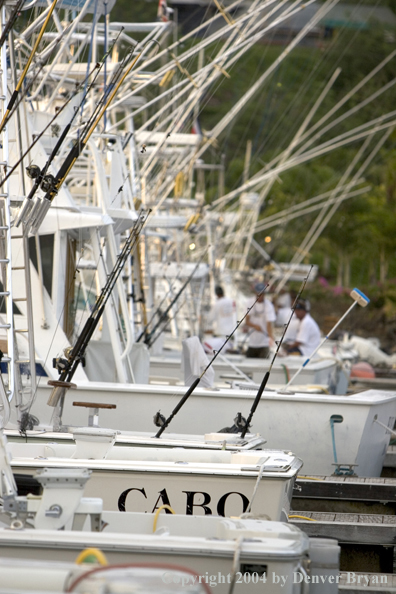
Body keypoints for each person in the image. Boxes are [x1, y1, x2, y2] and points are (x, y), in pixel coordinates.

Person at [244, 283, 276, 358]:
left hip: (264, 342)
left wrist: (271, 337)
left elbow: (269, 324)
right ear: (255, 293)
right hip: (252, 342)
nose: (260, 296)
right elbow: (247, 321)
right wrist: (255, 326)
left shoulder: (269, 305)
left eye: (262, 294)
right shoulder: (249, 302)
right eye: (258, 293)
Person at [204, 285, 237, 352]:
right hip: (232, 335)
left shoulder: (217, 304)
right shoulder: (232, 301)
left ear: (217, 294)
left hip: (221, 335)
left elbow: (210, 318)